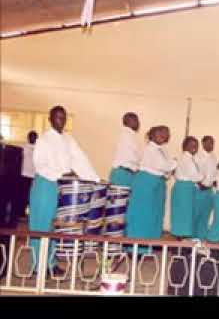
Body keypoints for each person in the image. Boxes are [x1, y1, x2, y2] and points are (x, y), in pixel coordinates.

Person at [30, 105, 99, 274]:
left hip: (63, 187)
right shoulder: (44, 139)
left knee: (55, 227)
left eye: (64, 118)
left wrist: (96, 179)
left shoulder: (69, 139)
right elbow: (40, 166)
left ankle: (51, 263)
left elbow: (81, 160)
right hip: (45, 185)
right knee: (42, 226)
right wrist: (62, 173)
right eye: (58, 117)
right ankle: (38, 266)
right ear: (50, 119)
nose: (61, 121)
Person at [125, 126, 176, 253]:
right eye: (160, 133)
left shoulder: (162, 150)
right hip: (146, 183)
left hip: (158, 183)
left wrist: (171, 165)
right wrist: (174, 162)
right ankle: (135, 248)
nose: (163, 135)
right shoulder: (150, 149)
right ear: (151, 135)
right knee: (143, 215)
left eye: (166, 133)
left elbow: (167, 172)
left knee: (155, 215)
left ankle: (149, 246)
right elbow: (164, 166)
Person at [170, 136, 204, 240]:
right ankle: (181, 241)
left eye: (196, 145)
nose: (194, 147)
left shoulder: (187, 158)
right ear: (184, 146)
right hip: (184, 188)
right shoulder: (186, 159)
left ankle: (181, 239)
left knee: (184, 214)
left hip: (184, 188)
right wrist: (203, 176)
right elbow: (195, 176)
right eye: (192, 145)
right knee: (184, 215)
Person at [194, 136, 217, 240]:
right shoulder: (197, 157)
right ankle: (193, 238)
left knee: (205, 215)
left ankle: (201, 237)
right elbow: (194, 173)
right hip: (199, 190)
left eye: (212, 143)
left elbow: (214, 173)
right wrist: (199, 184)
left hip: (209, 190)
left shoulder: (213, 157)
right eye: (208, 143)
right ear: (203, 144)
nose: (211, 145)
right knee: (196, 214)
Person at [109, 112, 141, 187]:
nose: (138, 123)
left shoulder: (130, 135)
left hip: (127, 173)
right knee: (119, 198)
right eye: (135, 120)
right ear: (128, 121)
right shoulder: (126, 135)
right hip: (122, 173)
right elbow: (132, 156)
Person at [18, 131, 38, 221]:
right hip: (24, 175)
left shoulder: (39, 149)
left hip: (35, 176)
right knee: (23, 195)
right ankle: (21, 213)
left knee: (33, 196)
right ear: (28, 137)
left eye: (34, 137)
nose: (33, 138)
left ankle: (32, 214)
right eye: (31, 136)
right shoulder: (23, 147)